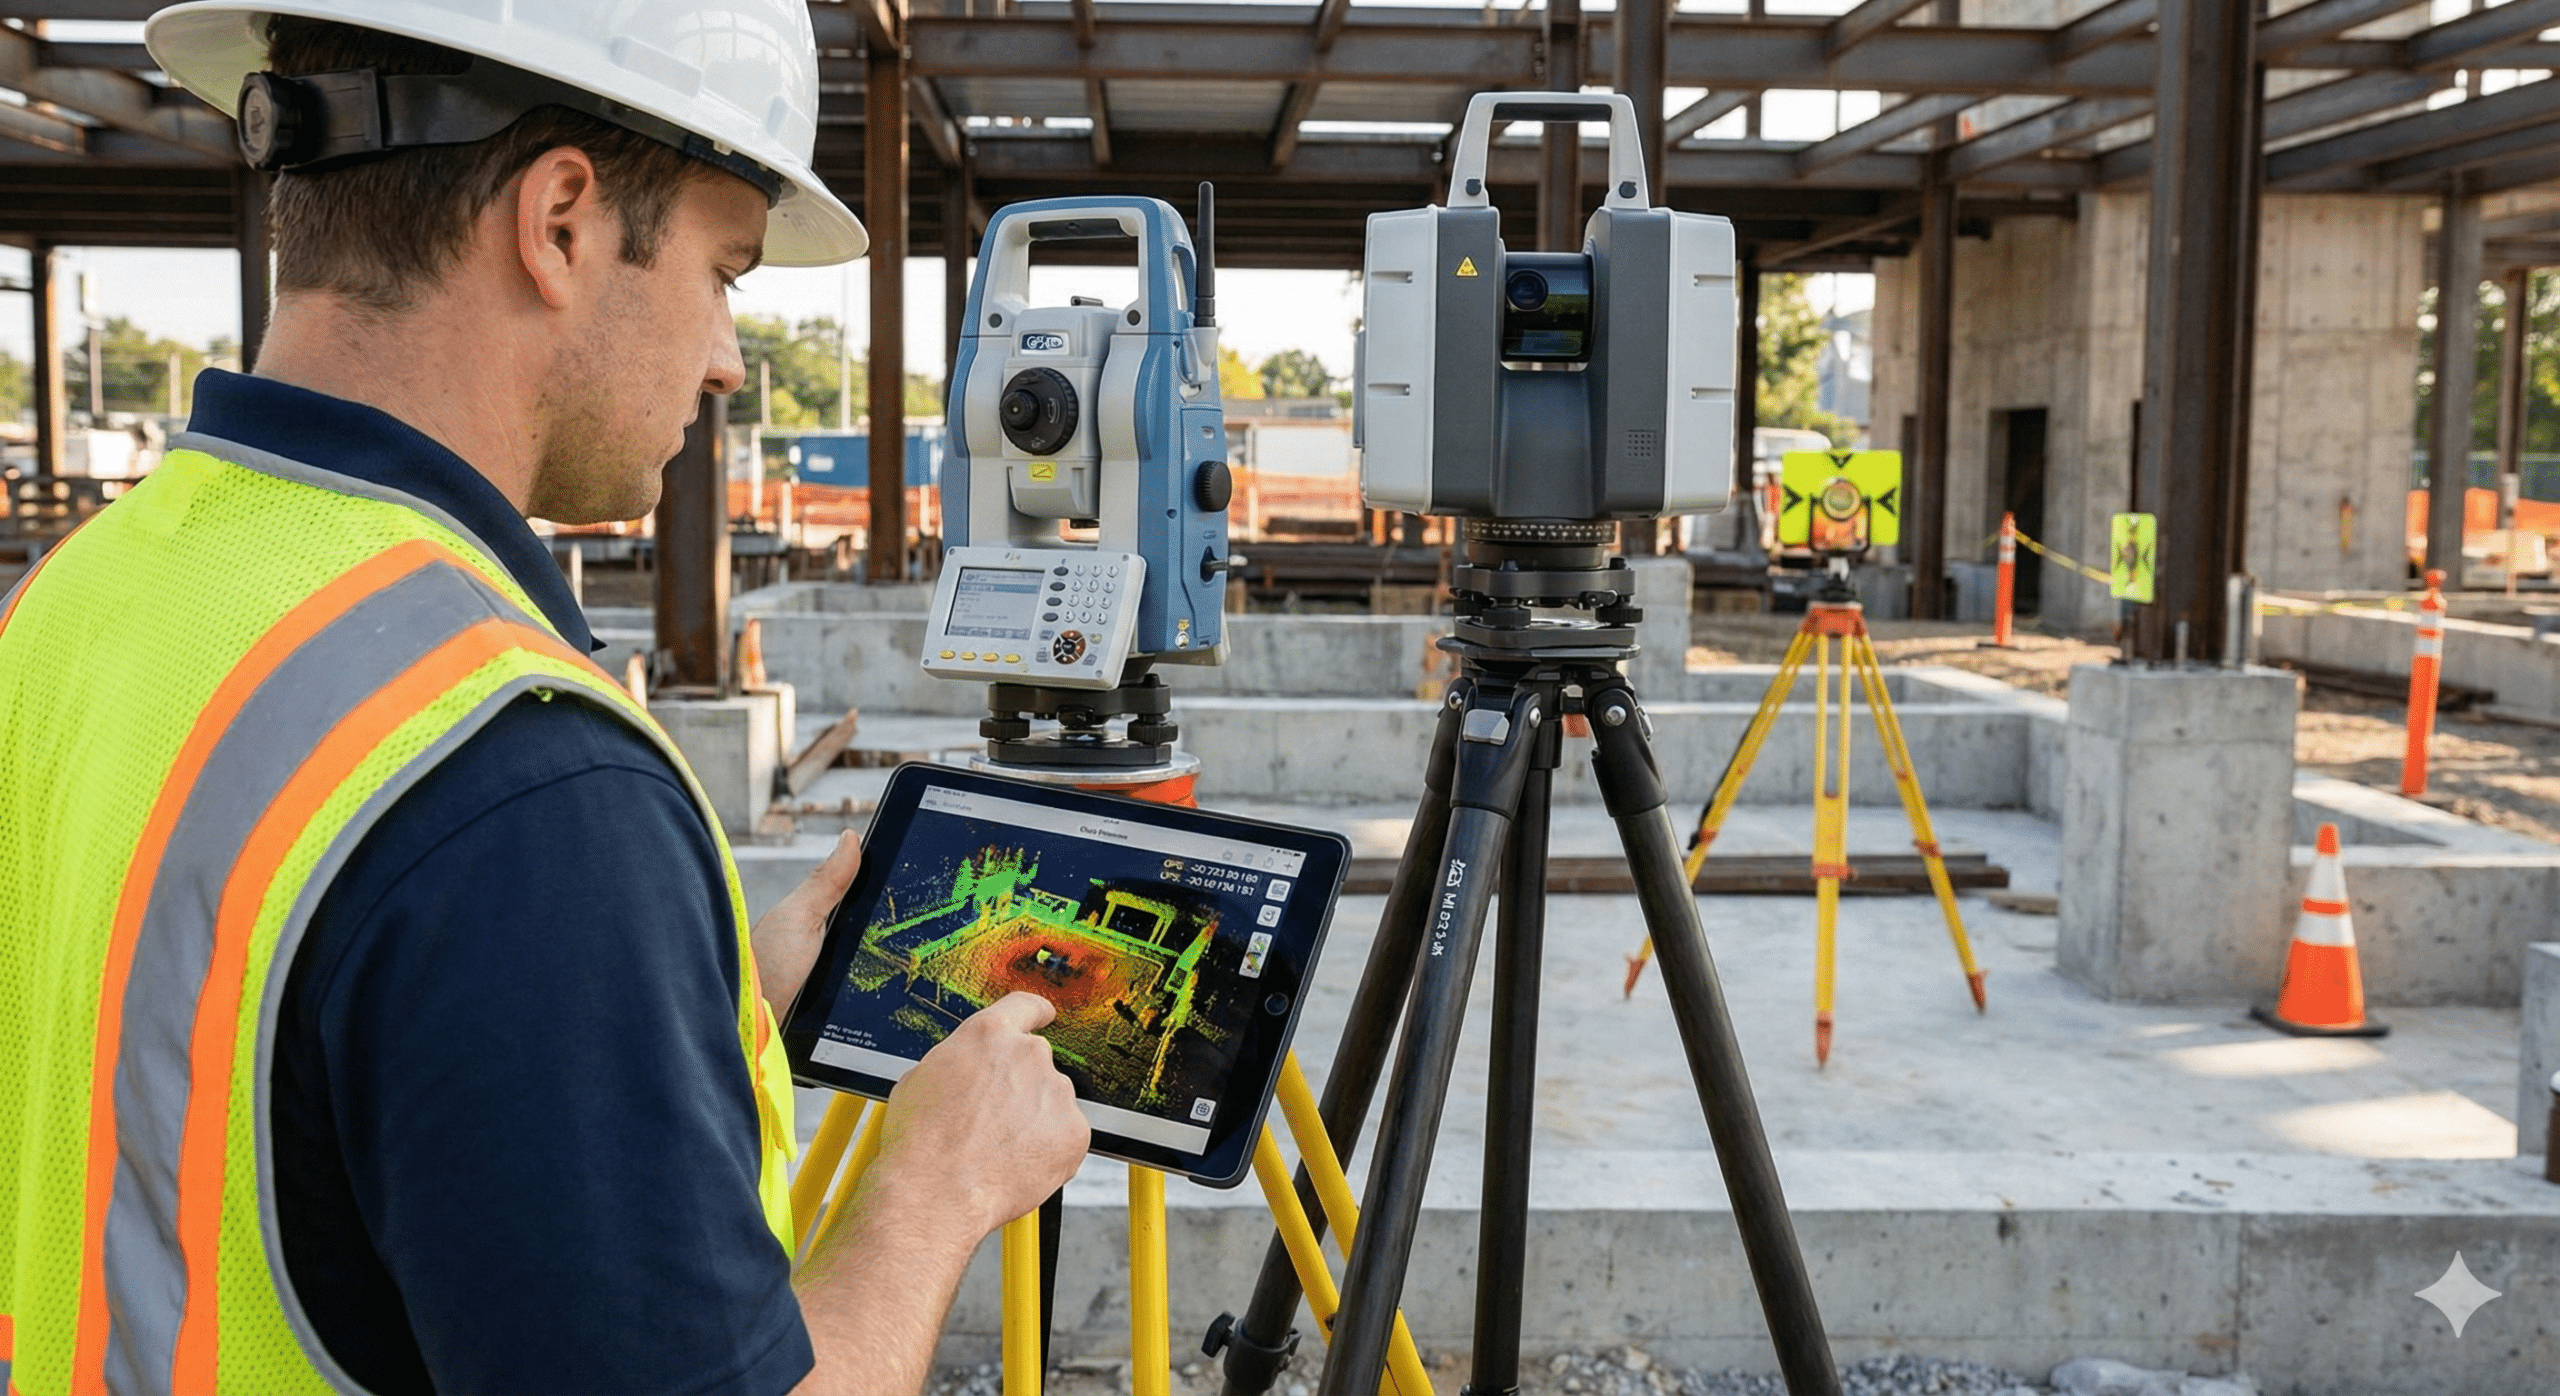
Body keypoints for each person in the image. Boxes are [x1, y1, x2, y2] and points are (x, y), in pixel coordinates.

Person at [0, 3, 1090, 1394]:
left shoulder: (79, 594)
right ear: (562, 219)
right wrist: (933, 1185)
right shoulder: (521, 785)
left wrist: (668, 1009)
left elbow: (216, 1075)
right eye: (725, 271)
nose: (726, 359)